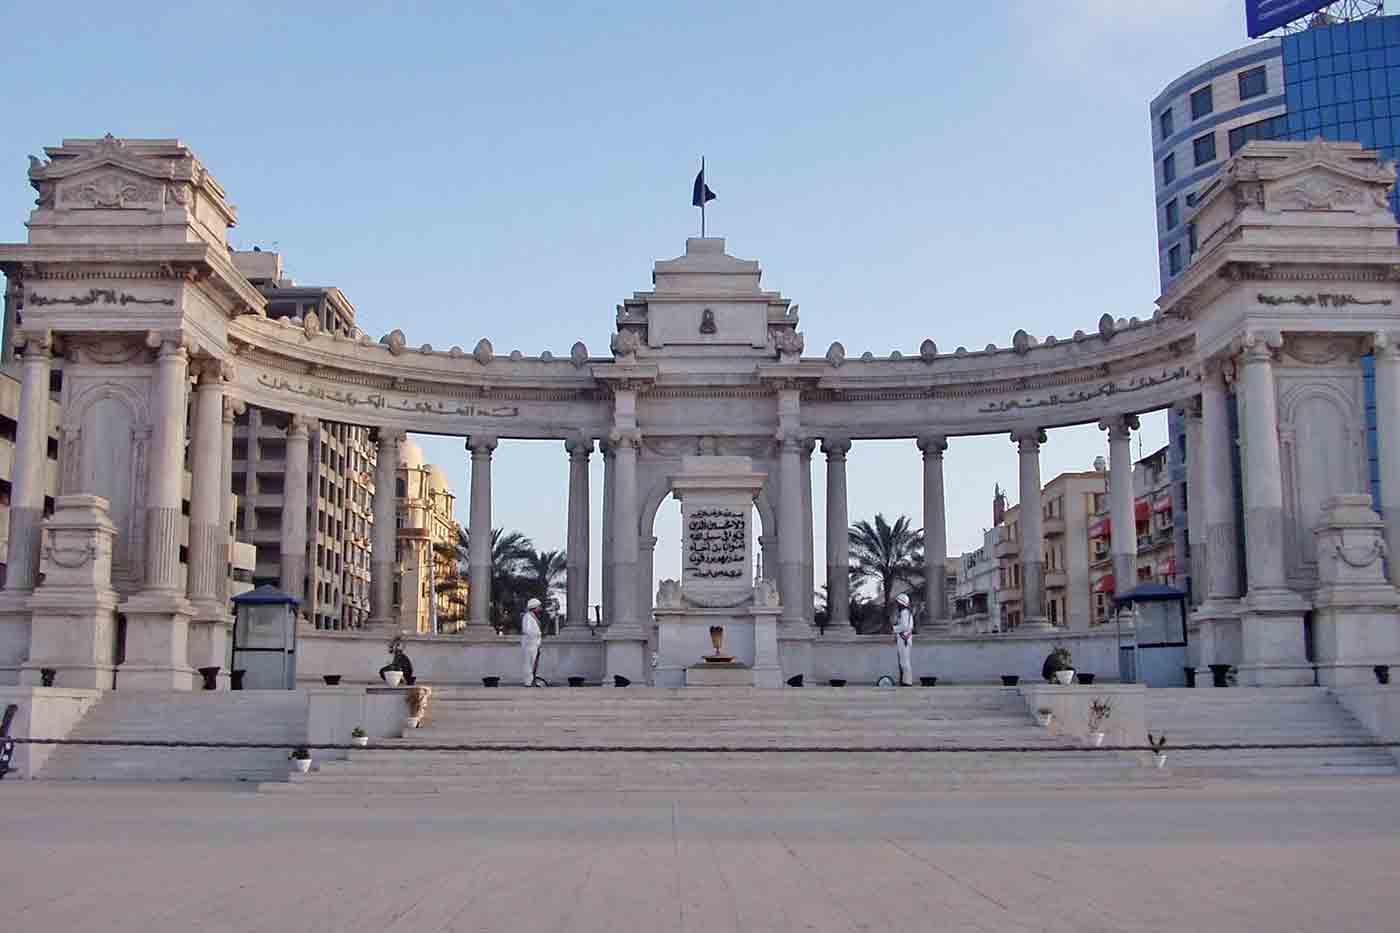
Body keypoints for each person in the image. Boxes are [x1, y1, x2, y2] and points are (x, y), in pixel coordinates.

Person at [892, 593, 914, 686]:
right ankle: (905, 680)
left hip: (903, 639)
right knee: (904, 661)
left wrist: (894, 628)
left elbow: (904, 626)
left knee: (904, 662)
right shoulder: (908, 613)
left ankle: (907, 681)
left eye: (898, 603)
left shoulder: (904, 612)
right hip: (905, 638)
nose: (897, 605)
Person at [521, 597, 543, 687]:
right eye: (539, 607)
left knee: (534, 663)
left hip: (534, 644)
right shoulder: (527, 616)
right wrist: (537, 634)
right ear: (534, 607)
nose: (540, 608)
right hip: (530, 643)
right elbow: (527, 630)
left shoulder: (532, 616)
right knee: (529, 663)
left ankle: (532, 681)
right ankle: (528, 682)